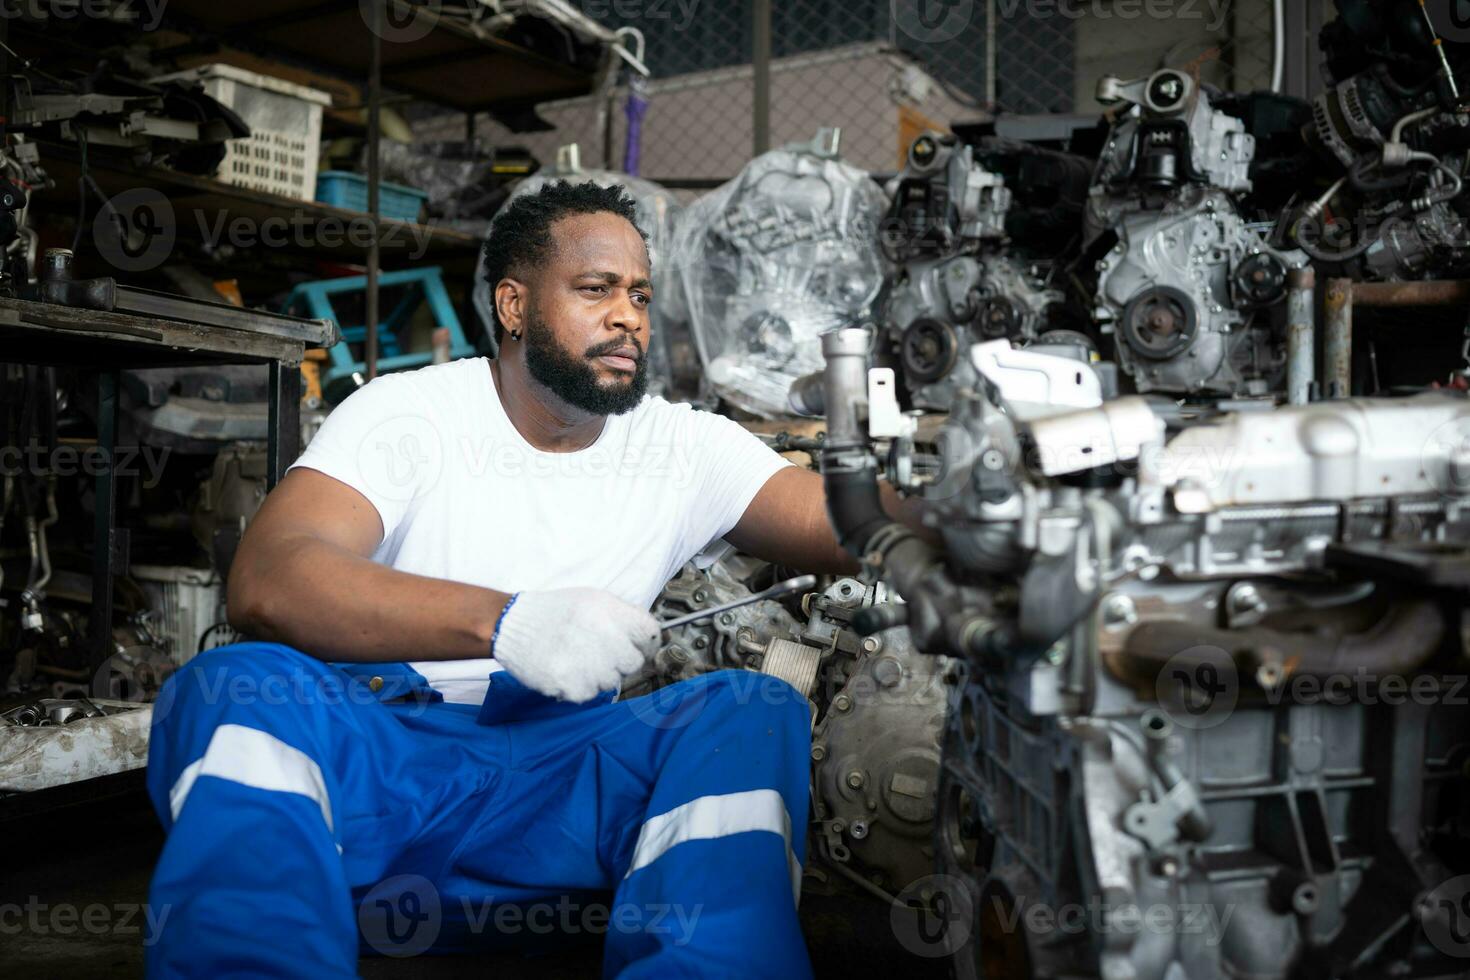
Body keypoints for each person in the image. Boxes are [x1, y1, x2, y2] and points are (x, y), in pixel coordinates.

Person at [143, 180, 920, 978]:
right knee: (231, 686)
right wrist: (507, 621)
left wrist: (982, 503)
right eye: (597, 289)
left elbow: (851, 519)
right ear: (513, 306)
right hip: (386, 767)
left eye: (641, 295)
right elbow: (271, 578)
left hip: (561, 785)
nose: (629, 316)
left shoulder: (683, 447)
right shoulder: (408, 412)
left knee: (749, 710)